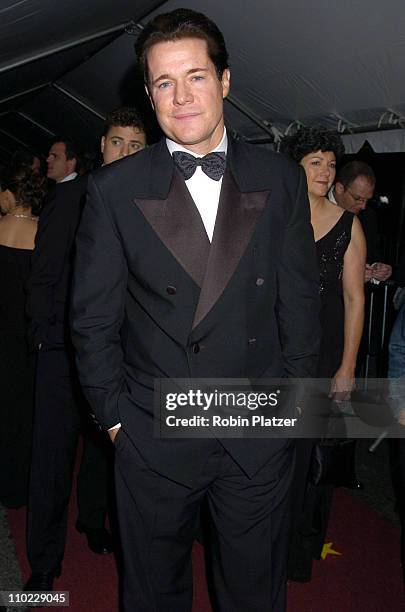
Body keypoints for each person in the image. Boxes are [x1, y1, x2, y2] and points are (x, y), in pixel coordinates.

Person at [71, 8, 321, 611]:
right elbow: (93, 320)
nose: (181, 97)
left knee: (254, 595)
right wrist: (116, 421)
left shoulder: (280, 178)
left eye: (197, 77)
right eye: (163, 82)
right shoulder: (113, 190)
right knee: (154, 594)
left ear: (226, 80)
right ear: (149, 93)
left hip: (255, 431)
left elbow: (301, 303)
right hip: (154, 433)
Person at [24, 139, 113, 594]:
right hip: (62, 350)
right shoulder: (73, 197)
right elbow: (45, 270)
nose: (125, 152)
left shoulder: (153, 199)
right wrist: (43, 335)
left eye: (135, 144)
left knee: (104, 454)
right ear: (103, 146)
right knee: (52, 458)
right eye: (118, 142)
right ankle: (43, 562)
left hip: (115, 356)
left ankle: (93, 523)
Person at [281, 126, 366, 581]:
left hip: (324, 349)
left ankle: (295, 550)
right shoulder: (276, 216)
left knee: (304, 456)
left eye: (330, 163)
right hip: (276, 349)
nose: (326, 169)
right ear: (295, 165)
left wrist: (348, 365)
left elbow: (355, 298)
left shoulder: (348, 224)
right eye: (316, 161)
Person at [0, 165, 45, 508]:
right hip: (26, 338)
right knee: (22, 414)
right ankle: (18, 487)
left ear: (8, 194)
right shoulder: (43, 234)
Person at [329, 160, 392, 282]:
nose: (363, 206)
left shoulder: (368, 216)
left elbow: (371, 253)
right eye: (358, 199)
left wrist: (376, 267)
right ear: (339, 188)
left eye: (367, 200)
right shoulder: (314, 207)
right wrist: (350, 275)